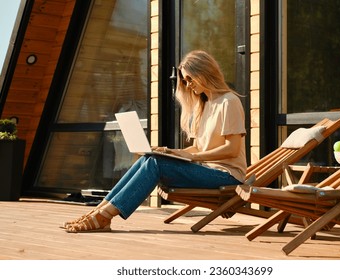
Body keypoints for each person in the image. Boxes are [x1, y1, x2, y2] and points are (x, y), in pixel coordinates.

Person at [63, 50, 247, 233]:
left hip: (227, 175)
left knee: (155, 164)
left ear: (204, 72)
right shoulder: (205, 106)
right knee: (149, 159)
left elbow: (232, 149)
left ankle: (104, 216)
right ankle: (98, 211)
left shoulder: (228, 102)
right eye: (185, 81)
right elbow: (199, 147)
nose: (188, 85)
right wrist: (171, 152)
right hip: (208, 171)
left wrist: (192, 158)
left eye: (190, 79)